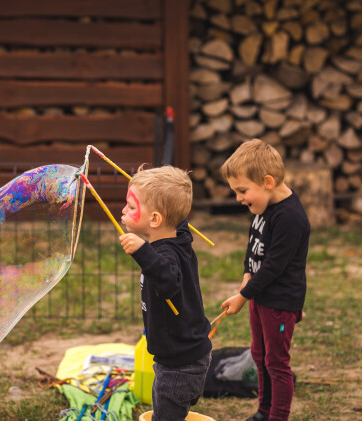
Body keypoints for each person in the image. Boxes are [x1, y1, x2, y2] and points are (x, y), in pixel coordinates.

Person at [220, 139, 310, 421]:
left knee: (277, 363)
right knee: (259, 355)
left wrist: (244, 294)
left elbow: (273, 267)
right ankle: (263, 410)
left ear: (267, 182)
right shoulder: (261, 209)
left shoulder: (290, 218)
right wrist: (247, 273)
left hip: (280, 302)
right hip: (260, 297)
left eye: (242, 191)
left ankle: (277, 416)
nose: (239, 198)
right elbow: (254, 245)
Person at [119, 165, 212, 421]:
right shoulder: (179, 236)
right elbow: (178, 218)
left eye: (131, 207)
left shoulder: (165, 254)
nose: (123, 211)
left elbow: (168, 281)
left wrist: (142, 251)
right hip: (182, 357)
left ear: (156, 220)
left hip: (179, 366)